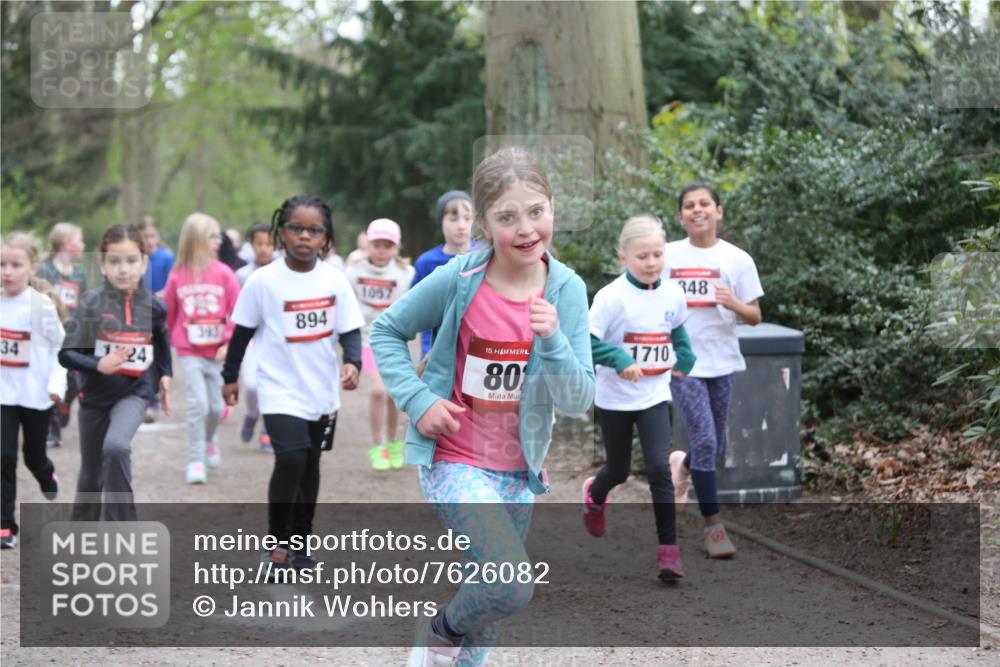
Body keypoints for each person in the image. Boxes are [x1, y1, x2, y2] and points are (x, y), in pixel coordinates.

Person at [371, 147, 594, 667]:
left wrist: (554, 340)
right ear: (484, 223)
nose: (525, 229)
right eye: (507, 217)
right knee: (512, 583)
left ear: (553, 209)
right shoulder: (460, 279)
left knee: (491, 593)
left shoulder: (568, 290)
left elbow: (580, 398)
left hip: (519, 472)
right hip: (455, 460)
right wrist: (419, 399)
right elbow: (386, 331)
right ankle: (439, 633)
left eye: (536, 211)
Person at [222, 194, 364, 572]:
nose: (304, 236)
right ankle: (277, 546)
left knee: (310, 465)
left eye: (313, 230)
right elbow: (242, 332)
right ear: (281, 233)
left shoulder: (334, 280)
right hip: (277, 388)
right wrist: (230, 376)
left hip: (319, 389)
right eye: (296, 228)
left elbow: (350, 329)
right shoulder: (263, 281)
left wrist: (353, 362)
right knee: (291, 458)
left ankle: (301, 545)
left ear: (326, 238)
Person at [583, 215, 695, 580]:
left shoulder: (673, 293)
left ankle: (669, 554)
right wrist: (618, 359)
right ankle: (595, 495)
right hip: (614, 398)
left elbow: (677, 332)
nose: (651, 263)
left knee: (660, 470)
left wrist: (687, 357)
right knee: (618, 469)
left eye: (657, 255)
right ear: (623, 257)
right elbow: (587, 342)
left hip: (653, 395)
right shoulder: (611, 297)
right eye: (642, 256)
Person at [665, 183, 763, 559]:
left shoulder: (737, 259)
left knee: (713, 446)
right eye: (689, 205)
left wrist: (732, 301)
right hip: (682, 363)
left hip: (723, 361)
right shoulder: (669, 255)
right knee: (705, 441)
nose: (697, 210)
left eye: (704, 203)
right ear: (681, 217)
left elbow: (754, 316)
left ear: (719, 212)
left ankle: (682, 464)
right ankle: (713, 528)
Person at [59, 224, 172, 522]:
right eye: (115, 261)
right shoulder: (91, 304)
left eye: (132, 260)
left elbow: (161, 339)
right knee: (91, 475)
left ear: (144, 262)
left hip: (134, 393)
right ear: (102, 264)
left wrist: (165, 374)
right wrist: (98, 364)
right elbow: (66, 353)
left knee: (117, 446)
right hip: (94, 398)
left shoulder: (154, 306)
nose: (124, 269)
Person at [162, 213, 240, 484]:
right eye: (212, 236)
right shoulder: (177, 277)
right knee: (199, 404)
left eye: (218, 236)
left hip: (217, 353)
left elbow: (237, 312)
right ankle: (195, 460)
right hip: (189, 351)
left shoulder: (224, 274)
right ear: (195, 240)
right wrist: (167, 344)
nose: (218, 241)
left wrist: (229, 342)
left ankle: (210, 440)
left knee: (216, 408)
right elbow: (169, 314)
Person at [1, 233, 65, 549]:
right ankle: (4, 525)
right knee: (3, 455)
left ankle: (46, 475)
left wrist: (56, 385)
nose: (7, 272)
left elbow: (58, 349)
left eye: (15, 265)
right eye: (2, 264)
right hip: (3, 395)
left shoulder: (40, 306)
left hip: (36, 393)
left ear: (31, 267)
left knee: (33, 455)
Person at [345, 218, 414, 471]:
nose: (382, 250)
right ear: (368, 245)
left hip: (394, 340)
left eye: (388, 245)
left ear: (396, 247)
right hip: (366, 339)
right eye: (377, 245)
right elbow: (345, 302)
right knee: (377, 391)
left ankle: (394, 442)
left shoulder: (406, 274)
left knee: (394, 395)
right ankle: (377, 444)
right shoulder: (354, 272)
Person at [36, 222, 87, 448]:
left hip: (71, 334)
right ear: (67, 244)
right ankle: (52, 426)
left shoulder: (80, 273)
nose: (84, 245)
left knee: (74, 381)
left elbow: (84, 304)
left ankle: (64, 405)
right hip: (47, 333)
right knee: (50, 376)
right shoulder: (45, 270)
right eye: (80, 239)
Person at [411, 190, 475, 359]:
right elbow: (415, 308)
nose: (461, 225)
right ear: (441, 222)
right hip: (434, 350)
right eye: (453, 219)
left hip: (476, 349)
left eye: (467, 218)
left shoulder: (489, 256)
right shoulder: (426, 262)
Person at [234, 223, 275, 449]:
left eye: (269, 244)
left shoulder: (281, 273)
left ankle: (268, 427)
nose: (263, 248)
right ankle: (252, 414)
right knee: (251, 385)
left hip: (274, 339)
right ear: (251, 245)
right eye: (259, 243)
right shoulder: (241, 275)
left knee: (272, 385)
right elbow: (235, 307)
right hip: (250, 339)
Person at [138, 216, 174, 296]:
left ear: (158, 235)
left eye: (152, 236)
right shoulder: (134, 258)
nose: (149, 241)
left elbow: (172, 286)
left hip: (161, 303)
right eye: (145, 236)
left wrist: (156, 298)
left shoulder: (167, 257)